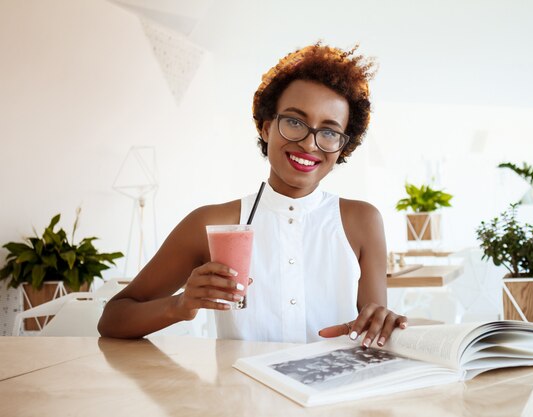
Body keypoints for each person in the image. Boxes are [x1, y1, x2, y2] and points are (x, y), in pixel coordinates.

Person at [98, 43, 407, 348]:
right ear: (266, 127)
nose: (310, 144)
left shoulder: (362, 221)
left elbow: (373, 329)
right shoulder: (211, 222)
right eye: (295, 122)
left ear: (342, 147)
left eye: (328, 131)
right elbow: (113, 318)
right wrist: (180, 305)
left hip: (333, 394)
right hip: (241, 397)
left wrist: (380, 323)